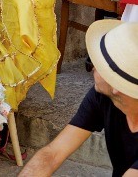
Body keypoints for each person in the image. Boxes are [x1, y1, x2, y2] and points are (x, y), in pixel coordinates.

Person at [19, 20, 138, 177]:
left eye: (94, 63)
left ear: (117, 85)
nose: (92, 68)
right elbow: (52, 155)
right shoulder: (103, 96)